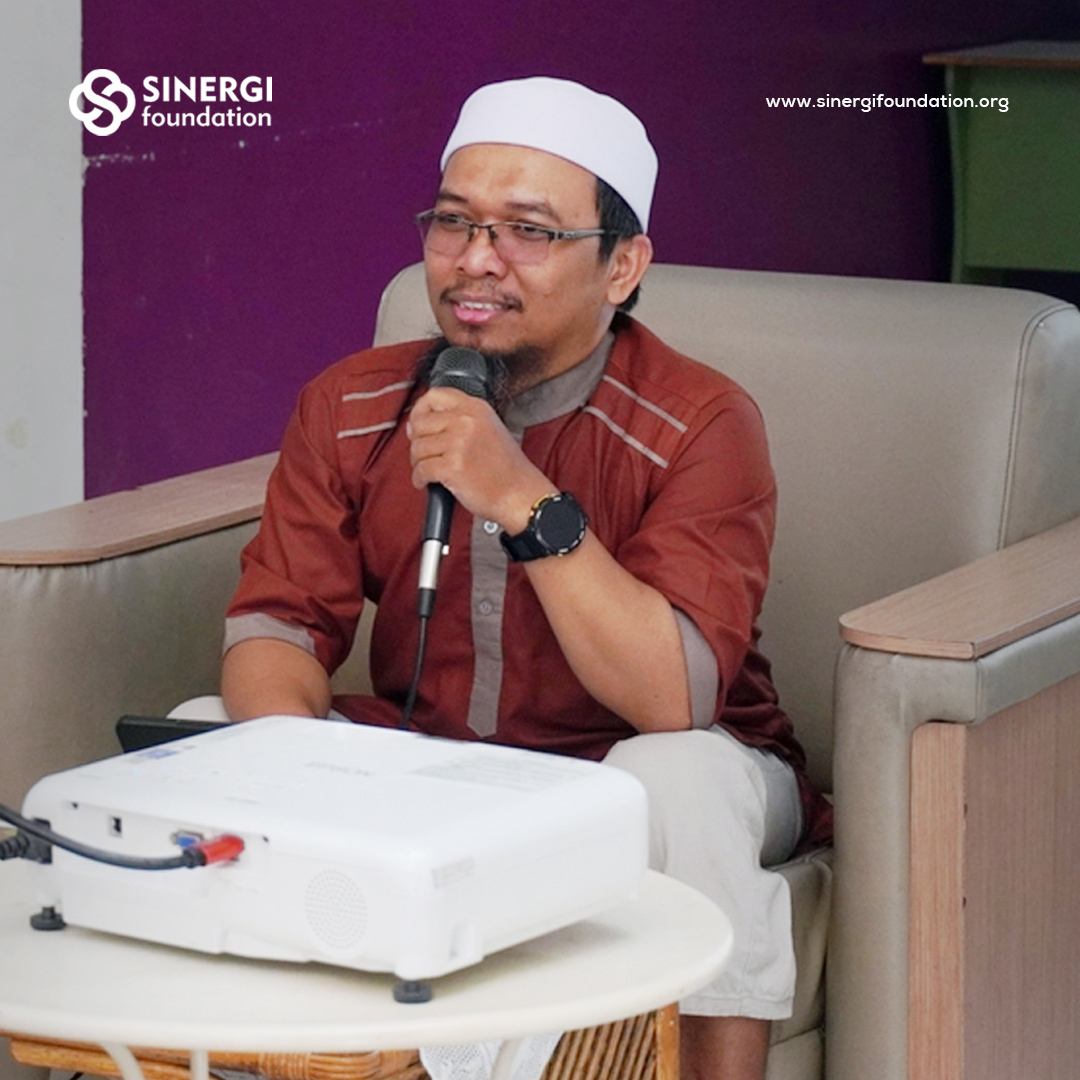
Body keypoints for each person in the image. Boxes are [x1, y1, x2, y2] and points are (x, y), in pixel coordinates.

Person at [221, 76, 831, 1080]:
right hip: (434, 761)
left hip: (651, 766)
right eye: (453, 222)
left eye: (529, 232)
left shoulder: (702, 421)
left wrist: (520, 497)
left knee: (677, 779)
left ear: (622, 265)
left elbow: (671, 699)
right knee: (211, 732)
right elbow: (278, 626)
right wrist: (299, 769)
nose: (476, 259)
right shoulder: (350, 403)